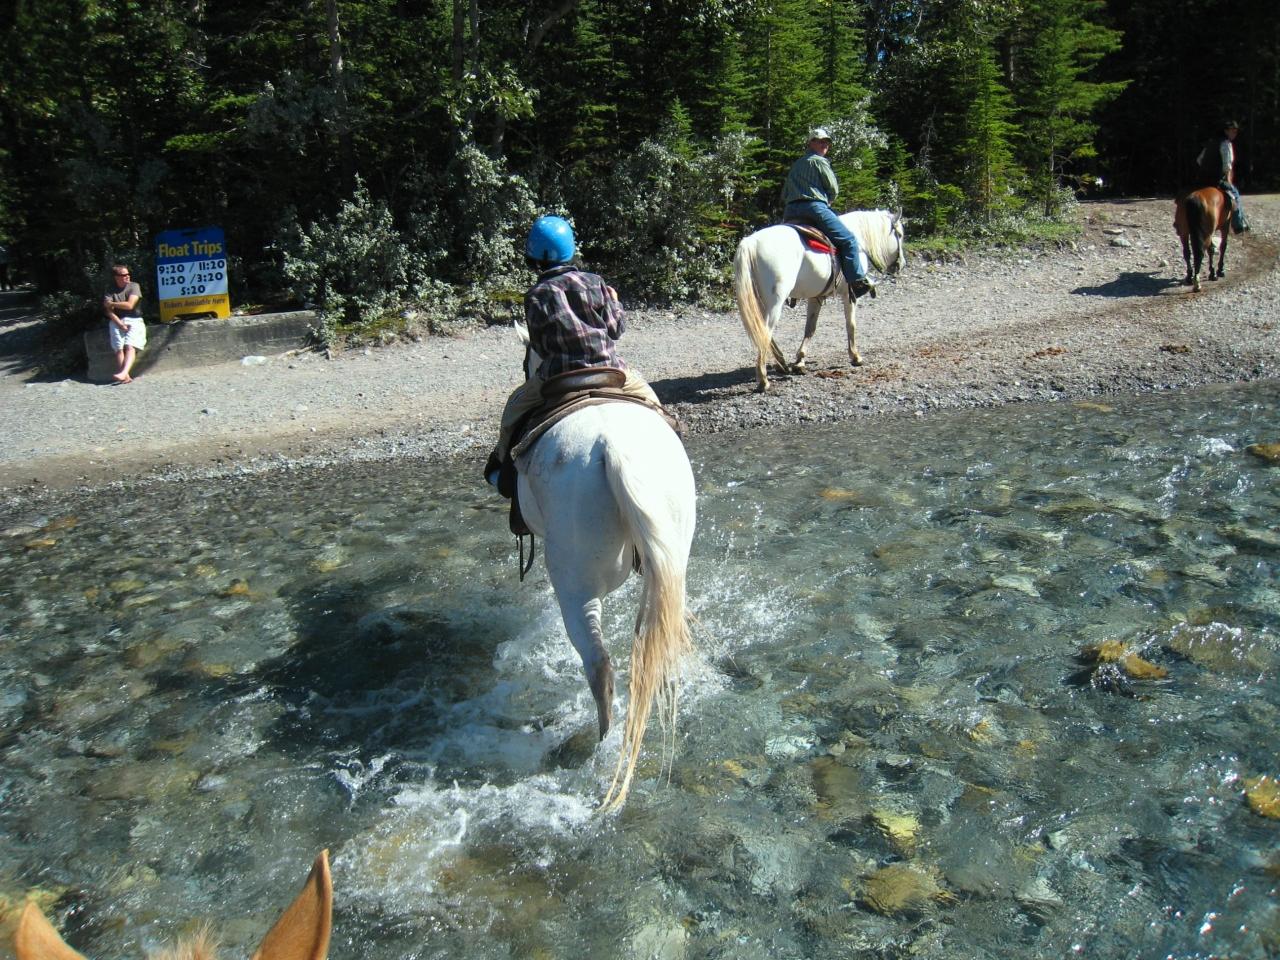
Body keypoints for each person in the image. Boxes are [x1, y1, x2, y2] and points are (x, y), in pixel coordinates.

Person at [485, 215, 662, 490]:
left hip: (559, 376)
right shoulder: (595, 281)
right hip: (609, 369)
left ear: (534, 258)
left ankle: (500, 467)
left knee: (513, 408)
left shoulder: (535, 295)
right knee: (652, 401)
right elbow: (616, 329)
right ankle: (671, 436)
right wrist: (614, 303)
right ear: (570, 249)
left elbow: (541, 347)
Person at [781, 127, 874, 299]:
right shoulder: (819, 161)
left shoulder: (796, 165)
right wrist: (828, 200)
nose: (825, 145)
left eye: (827, 142)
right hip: (814, 208)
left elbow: (784, 194)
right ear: (811, 143)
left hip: (791, 211)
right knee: (849, 240)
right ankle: (857, 282)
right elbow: (833, 188)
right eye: (821, 141)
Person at [1197, 119, 1249, 233]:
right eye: (1232, 131)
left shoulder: (1210, 142)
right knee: (1234, 193)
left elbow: (1199, 160)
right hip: (1215, 179)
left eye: (1235, 131)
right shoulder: (1226, 144)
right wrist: (1226, 179)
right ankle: (1238, 224)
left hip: (1202, 179)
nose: (1234, 133)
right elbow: (1227, 166)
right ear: (1226, 131)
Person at [103, 264, 146, 383]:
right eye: (124, 275)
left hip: (134, 318)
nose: (127, 276)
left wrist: (112, 304)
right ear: (116, 277)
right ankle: (125, 376)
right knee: (118, 347)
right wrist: (119, 324)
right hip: (117, 319)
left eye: (128, 274)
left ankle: (123, 372)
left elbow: (130, 305)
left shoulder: (134, 286)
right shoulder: (110, 289)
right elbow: (108, 311)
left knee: (129, 346)